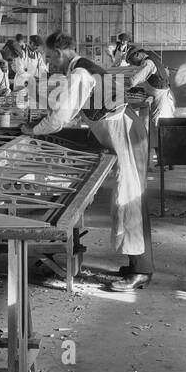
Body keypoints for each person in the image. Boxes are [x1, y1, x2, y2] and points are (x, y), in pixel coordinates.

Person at [25, 31, 153, 292]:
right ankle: (137, 262)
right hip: (122, 130)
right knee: (129, 195)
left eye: (50, 58)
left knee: (129, 198)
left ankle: (140, 269)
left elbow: (60, 117)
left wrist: (33, 130)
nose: (50, 64)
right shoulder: (81, 68)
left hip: (124, 133)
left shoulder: (79, 74)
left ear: (60, 54)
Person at [124, 44, 175, 154]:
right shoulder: (150, 60)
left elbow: (133, 80)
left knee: (157, 126)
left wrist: (118, 83)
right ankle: (163, 158)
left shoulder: (148, 63)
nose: (131, 63)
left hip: (160, 98)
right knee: (157, 126)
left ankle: (163, 158)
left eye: (131, 60)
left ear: (137, 54)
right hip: (160, 96)